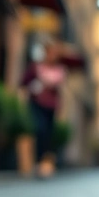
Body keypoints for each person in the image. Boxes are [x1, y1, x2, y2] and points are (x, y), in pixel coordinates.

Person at [20, 40, 66, 178]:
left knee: (47, 134)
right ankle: (36, 162)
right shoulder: (36, 67)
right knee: (39, 129)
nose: (53, 56)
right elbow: (24, 82)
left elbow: (59, 90)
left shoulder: (59, 70)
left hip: (50, 106)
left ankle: (44, 164)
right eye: (51, 52)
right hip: (36, 103)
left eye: (55, 53)